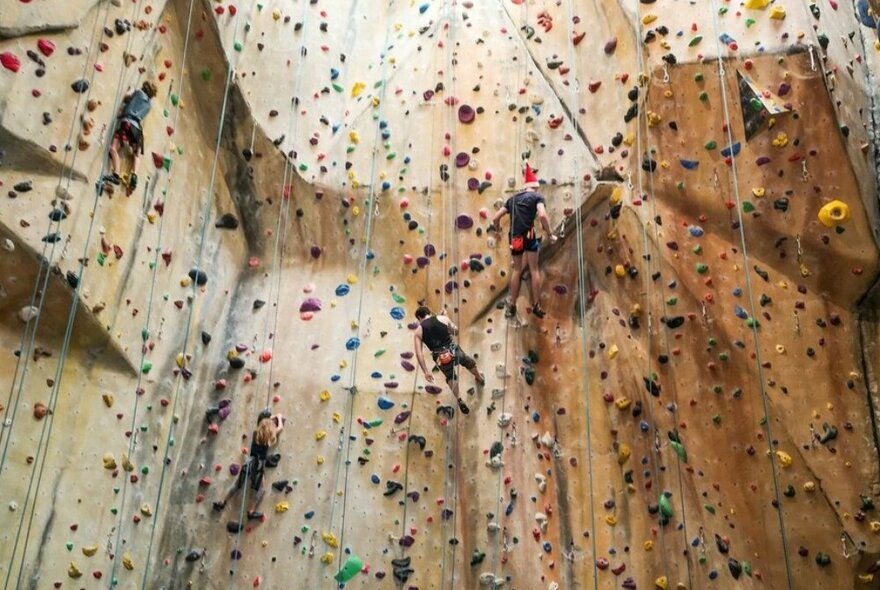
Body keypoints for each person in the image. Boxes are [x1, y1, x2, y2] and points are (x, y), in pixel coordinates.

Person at [490, 163, 557, 320]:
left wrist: (498, 230)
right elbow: (542, 215)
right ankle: (536, 305)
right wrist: (549, 233)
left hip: (515, 237)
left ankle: (512, 304)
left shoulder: (512, 199)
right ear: (535, 186)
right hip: (529, 235)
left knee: (517, 270)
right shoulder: (537, 197)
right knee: (534, 270)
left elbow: (495, 218)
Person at [213, 410, 284, 520]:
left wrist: (269, 418)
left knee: (237, 485)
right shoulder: (269, 436)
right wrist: (278, 416)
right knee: (261, 489)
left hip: (249, 461)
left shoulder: (256, 432)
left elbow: (263, 422)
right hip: (258, 465)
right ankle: (251, 511)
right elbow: (280, 428)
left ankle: (222, 502)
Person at [413, 306, 484, 415]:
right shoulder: (442, 318)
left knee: (451, 376)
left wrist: (426, 371)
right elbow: (455, 331)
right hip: (453, 350)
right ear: (428, 312)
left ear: (419, 317)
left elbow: (419, 354)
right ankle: (479, 378)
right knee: (468, 362)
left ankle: (460, 399)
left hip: (440, 358)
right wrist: (446, 317)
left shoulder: (418, 331)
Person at [103, 80, 158, 190]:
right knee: (136, 153)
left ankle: (116, 175)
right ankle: (135, 175)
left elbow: (127, 96)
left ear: (144, 87)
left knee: (113, 148)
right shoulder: (149, 105)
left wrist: (130, 90)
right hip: (137, 128)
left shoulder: (138, 93)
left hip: (127, 123)